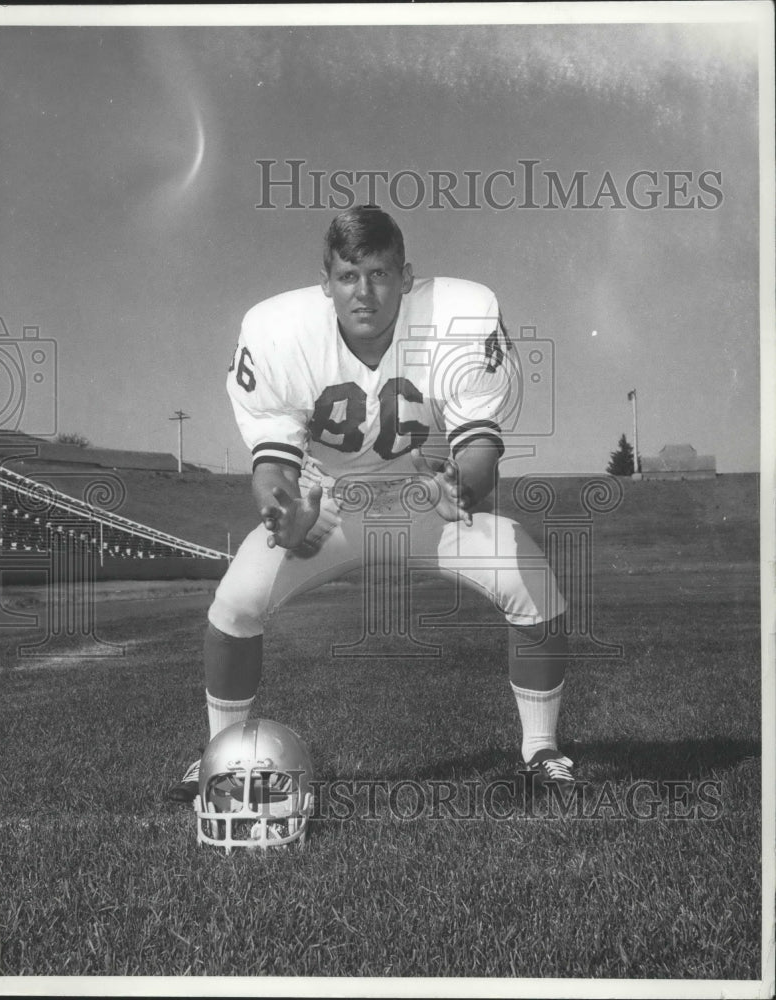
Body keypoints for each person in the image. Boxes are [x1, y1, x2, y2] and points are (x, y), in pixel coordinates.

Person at [167, 204, 573, 803]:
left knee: (529, 576)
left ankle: (541, 750)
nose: (365, 292)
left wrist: (459, 486)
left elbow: (481, 446)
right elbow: (273, 466)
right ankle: (222, 759)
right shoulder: (280, 331)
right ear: (326, 282)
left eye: (380, 274)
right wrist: (287, 516)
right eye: (349, 276)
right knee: (236, 600)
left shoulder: (459, 316)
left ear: (406, 278)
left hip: (428, 501)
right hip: (330, 506)